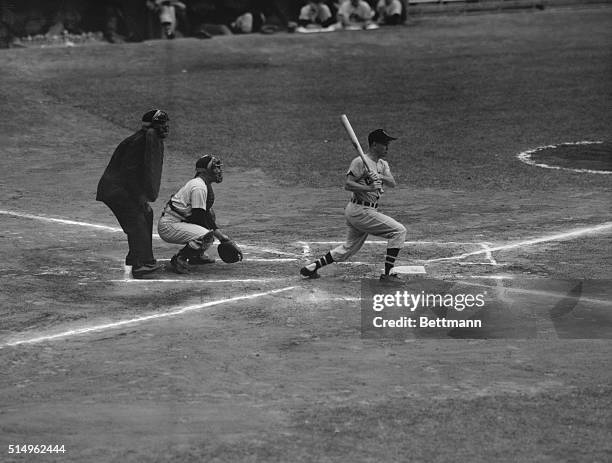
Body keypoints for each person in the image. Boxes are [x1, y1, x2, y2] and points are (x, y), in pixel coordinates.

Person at [300, 129, 407, 280]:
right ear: (375, 144)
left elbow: (392, 183)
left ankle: (312, 267)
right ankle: (388, 274)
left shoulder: (382, 164)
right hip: (360, 211)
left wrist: (379, 176)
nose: (387, 147)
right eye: (384, 144)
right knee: (399, 231)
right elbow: (348, 185)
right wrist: (368, 187)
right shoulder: (359, 162)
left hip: (362, 211)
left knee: (348, 248)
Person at [96, 109, 169, 279]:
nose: (165, 127)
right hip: (115, 190)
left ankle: (137, 256)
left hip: (124, 188)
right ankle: (140, 265)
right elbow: (128, 173)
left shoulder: (148, 140)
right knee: (137, 221)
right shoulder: (138, 142)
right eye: (161, 124)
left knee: (146, 214)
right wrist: (139, 197)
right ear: (151, 126)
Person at [158, 154, 243, 274]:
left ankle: (196, 256)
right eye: (215, 168)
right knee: (206, 236)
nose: (219, 171)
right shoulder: (199, 187)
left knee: (210, 215)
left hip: (179, 222)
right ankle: (179, 259)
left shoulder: (204, 184)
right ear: (204, 171)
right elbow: (199, 218)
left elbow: (205, 215)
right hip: (170, 226)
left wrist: (222, 236)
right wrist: (220, 236)